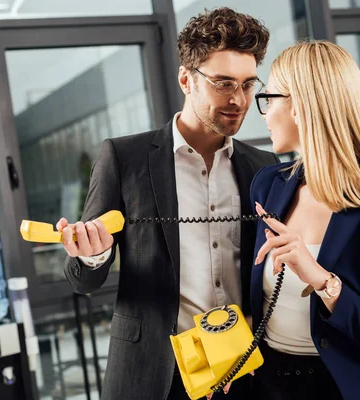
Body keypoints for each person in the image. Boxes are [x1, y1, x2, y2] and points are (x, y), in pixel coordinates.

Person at [56, 7, 278, 400]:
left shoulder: (262, 166)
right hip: (153, 375)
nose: (239, 100)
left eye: (247, 85)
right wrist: (92, 255)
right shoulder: (124, 158)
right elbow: (82, 279)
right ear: (185, 80)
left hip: (240, 372)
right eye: (223, 83)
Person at [248, 40, 360, 400]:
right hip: (270, 385)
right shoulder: (269, 184)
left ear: (299, 105)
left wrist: (320, 278)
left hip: (348, 390)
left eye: (269, 100)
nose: (265, 114)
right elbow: (261, 302)